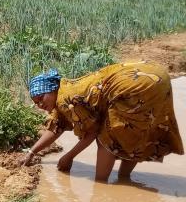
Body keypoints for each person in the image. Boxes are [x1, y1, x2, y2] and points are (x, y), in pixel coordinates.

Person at [22, 62, 183, 181]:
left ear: (52, 89)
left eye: (41, 98)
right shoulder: (65, 89)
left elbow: (91, 133)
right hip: (156, 75)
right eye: (36, 102)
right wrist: (32, 152)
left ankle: (100, 184)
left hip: (135, 85)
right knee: (131, 132)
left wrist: (69, 157)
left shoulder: (66, 100)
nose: (40, 104)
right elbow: (56, 127)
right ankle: (124, 178)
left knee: (106, 138)